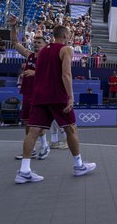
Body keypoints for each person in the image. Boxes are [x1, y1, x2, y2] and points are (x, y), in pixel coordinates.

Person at [15, 25, 96, 184]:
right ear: (65, 35)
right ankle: (78, 165)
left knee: (33, 132)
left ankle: (24, 170)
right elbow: (66, 74)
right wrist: (70, 97)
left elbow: (38, 73)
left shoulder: (42, 51)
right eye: (69, 35)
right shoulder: (66, 50)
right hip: (58, 97)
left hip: (39, 97)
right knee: (71, 129)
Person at [9, 16, 50, 160]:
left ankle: (44, 145)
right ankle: (31, 149)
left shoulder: (48, 59)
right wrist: (14, 27)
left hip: (40, 93)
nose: (36, 44)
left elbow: (51, 76)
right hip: (27, 92)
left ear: (46, 45)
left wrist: (35, 72)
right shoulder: (30, 55)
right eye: (35, 42)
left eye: (39, 42)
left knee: (36, 121)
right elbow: (15, 42)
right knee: (27, 121)